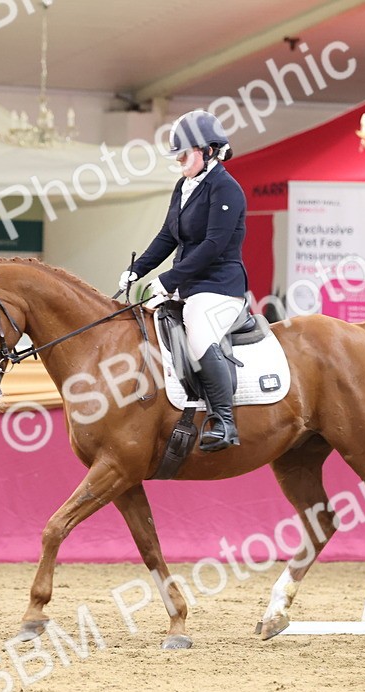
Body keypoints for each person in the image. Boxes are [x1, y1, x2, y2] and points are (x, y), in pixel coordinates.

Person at [119, 110, 248, 452]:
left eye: (184, 153)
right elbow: (168, 236)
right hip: (187, 284)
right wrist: (137, 270)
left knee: (198, 332)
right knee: (143, 319)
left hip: (219, 286)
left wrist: (168, 279)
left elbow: (213, 245)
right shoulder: (184, 186)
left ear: (209, 151)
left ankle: (224, 421)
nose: (178, 160)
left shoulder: (226, 189)